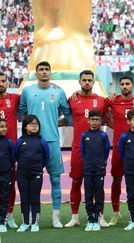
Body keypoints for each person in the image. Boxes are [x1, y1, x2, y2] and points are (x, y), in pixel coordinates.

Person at [18, 61, 73, 228]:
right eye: (40, 70)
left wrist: (56, 123)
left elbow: (69, 116)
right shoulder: (27, 91)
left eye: (46, 70)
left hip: (52, 142)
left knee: (55, 179)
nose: (43, 72)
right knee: (28, 181)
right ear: (36, 74)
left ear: (51, 73)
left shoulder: (59, 92)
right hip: (31, 144)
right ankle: (29, 218)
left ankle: (56, 218)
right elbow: (20, 114)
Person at [65, 70, 110, 228]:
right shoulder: (72, 99)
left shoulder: (101, 100)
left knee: (99, 184)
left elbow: (109, 118)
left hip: (97, 150)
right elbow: (65, 117)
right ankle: (75, 216)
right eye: (84, 80)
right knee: (76, 181)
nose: (87, 82)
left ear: (93, 82)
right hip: (78, 148)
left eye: (89, 80)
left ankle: (100, 216)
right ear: (79, 81)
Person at [106, 76, 134, 226]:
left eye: (127, 84)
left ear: (133, 86)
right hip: (118, 147)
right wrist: (114, 126)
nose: (124, 86)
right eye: (122, 84)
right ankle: (116, 213)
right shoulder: (112, 100)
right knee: (116, 179)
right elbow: (103, 113)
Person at [15, 115, 50, 232]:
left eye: (36, 124)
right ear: (25, 126)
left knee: (35, 198)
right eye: (31, 124)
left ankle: (35, 223)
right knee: (24, 198)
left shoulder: (42, 141)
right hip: (22, 174)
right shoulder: (20, 141)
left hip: (36, 174)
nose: (34, 126)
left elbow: (46, 156)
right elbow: (16, 156)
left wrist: (39, 167)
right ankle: (25, 223)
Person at [80, 110, 110, 232]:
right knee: (88, 194)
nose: (94, 122)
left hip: (99, 170)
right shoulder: (84, 135)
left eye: (97, 119)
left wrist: (101, 163)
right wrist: (88, 163)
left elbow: (106, 151)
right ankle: (90, 218)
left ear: (100, 121)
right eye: (92, 119)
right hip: (87, 169)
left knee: (98, 194)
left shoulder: (103, 135)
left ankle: (97, 218)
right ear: (88, 120)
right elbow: (83, 152)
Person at [0, 72, 20, 228]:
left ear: (7, 83)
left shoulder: (14, 99)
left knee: (10, 183)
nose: (0, 83)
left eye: (2, 81)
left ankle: (10, 215)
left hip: (9, 149)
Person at [0, 118, 14, 233]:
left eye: (5, 126)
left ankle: (2, 222)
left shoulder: (9, 142)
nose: (4, 129)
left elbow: (12, 158)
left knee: (4, 198)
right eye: (1, 127)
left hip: (5, 174)